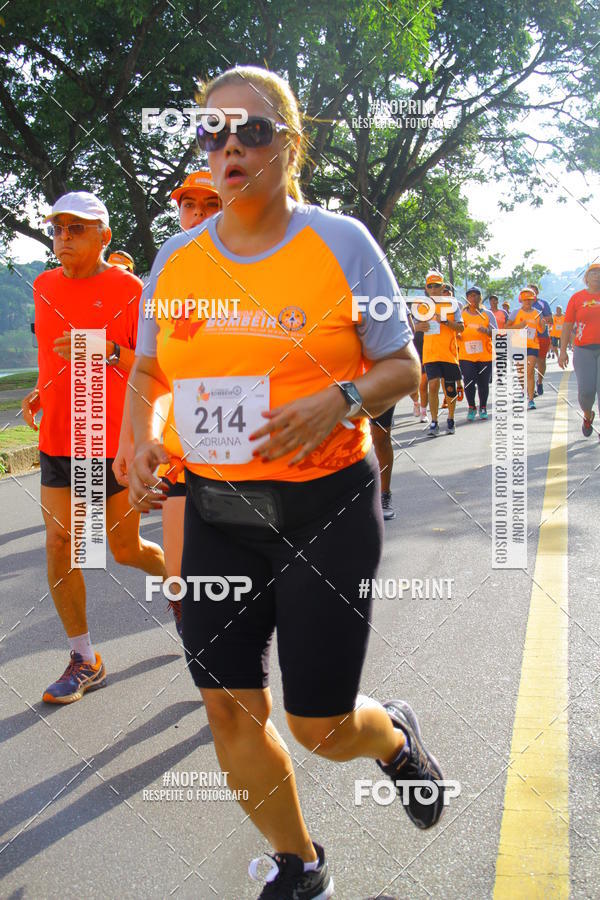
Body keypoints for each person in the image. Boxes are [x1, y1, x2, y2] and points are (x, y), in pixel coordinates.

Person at [127, 66, 446, 899]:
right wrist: (137, 441)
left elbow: (402, 369)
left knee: (319, 724)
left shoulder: (340, 244)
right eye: (212, 132)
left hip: (325, 507)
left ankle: (393, 739)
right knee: (229, 707)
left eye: (252, 130)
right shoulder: (177, 260)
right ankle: (301, 864)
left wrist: (335, 401)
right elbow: (147, 375)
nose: (230, 145)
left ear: (289, 146)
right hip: (219, 510)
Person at [20, 191, 166, 704]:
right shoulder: (42, 285)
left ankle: (180, 583)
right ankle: (86, 658)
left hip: (109, 442)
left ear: (104, 236)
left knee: (123, 549)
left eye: (76, 228)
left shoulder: (131, 289)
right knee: (61, 544)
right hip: (60, 438)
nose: (63, 238)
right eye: (57, 229)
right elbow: (55, 352)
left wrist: (107, 349)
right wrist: (42, 389)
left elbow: (154, 370)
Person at [113, 169, 222, 635]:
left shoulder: (258, 266)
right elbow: (146, 369)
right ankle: (203, 654)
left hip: (250, 458)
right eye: (189, 205)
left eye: (209, 205)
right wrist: (130, 442)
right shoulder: (167, 266)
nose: (196, 214)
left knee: (248, 590)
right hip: (178, 452)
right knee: (182, 580)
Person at [413, 270, 464, 436]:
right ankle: (434, 422)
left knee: (449, 387)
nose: (433, 289)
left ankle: (450, 418)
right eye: (430, 286)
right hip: (430, 353)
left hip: (448, 353)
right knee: (432, 384)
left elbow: (461, 327)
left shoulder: (452, 304)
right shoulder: (421, 306)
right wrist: (418, 327)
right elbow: (412, 326)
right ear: (426, 288)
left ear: (442, 286)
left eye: (436, 285)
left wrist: (445, 321)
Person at [559, 263, 600, 437]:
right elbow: (567, 326)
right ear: (586, 278)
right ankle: (587, 414)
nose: (597, 276)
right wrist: (562, 352)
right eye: (593, 273)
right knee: (586, 392)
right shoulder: (577, 298)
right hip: (583, 350)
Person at [459, 286, 497, 420]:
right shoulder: (462, 314)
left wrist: (487, 331)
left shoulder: (488, 314)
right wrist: (458, 335)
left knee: (483, 383)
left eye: (476, 295)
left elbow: (497, 333)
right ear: (467, 298)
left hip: (485, 355)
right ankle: (471, 407)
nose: (473, 298)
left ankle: (483, 407)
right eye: (470, 296)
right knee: (469, 382)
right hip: (466, 356)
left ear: (480, 298)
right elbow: (456, 329)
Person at [505, 288, 545, 409]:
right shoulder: (516, 312)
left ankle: (531, 399)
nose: (527, 301)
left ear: (533, 300)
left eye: (530, 299)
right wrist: (519, 326)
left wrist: (543, 325)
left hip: (532, 345)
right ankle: (524, 390)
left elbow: (541, 330)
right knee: (521, 372)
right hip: (518, 345)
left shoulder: (537, 313)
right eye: (525, 299)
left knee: (530, 371)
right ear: (521, 299)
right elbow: (506, 327)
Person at [527, 283, 553, 396]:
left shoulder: (543, 304)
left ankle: (540, 382)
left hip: (542, 336)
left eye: (533, 292)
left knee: (541, 361)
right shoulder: (523, 305)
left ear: (537, 293)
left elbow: (550, 320)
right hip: (528, 338)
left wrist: (537, 318)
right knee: (530, 363)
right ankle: (530, 388)